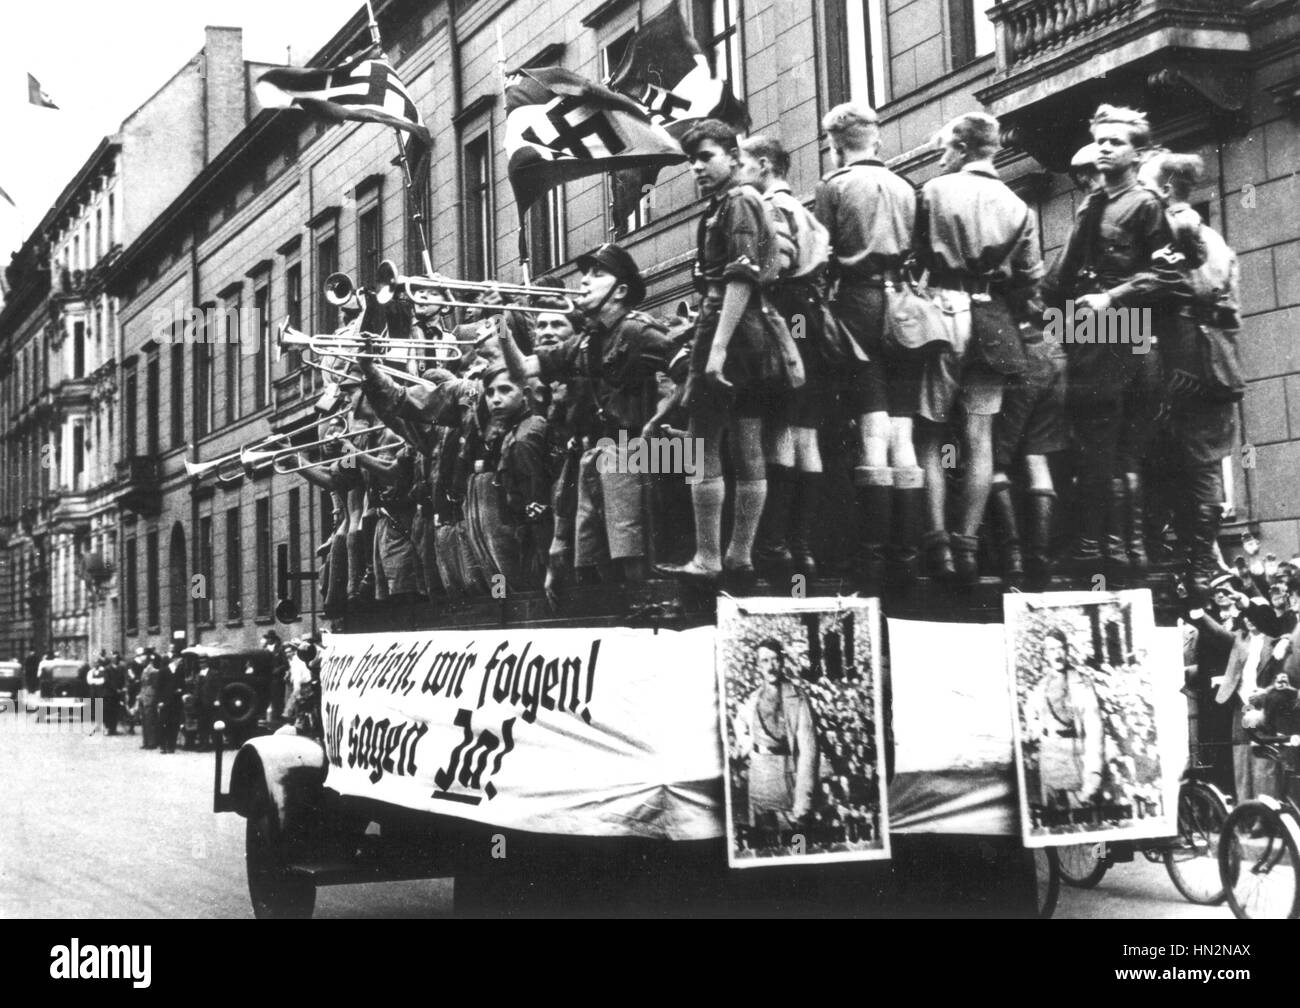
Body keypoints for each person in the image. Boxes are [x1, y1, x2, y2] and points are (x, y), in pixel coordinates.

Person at [657, 119, 796, 590]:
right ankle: (738, 558)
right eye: (692, 160)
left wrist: (714, 351)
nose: (697, 167)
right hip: (750, 332)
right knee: (746, 447)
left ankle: (709, 557)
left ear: (735, 158)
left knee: (702, 446)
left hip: (728, 328)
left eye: (707, 156)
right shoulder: (738, 201)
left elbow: (740, 275)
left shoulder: (736, 202)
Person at [912, 112, 1044, 586]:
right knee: (979, 439)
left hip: (943, 312)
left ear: (964, 148)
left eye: (947, 148)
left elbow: (914, 256)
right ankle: (967, 546)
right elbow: (1031, 278)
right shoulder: (1017, 205)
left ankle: (938, 543)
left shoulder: (934, 191)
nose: (943, 156)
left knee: (927, 433)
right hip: (992, 320)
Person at [1041, 104, 1171, 580]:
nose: (1104, 147)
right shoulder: (1094, 203)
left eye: (1115, 142)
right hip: (1093, 327)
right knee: (1097, 440)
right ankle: (1113, 548)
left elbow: (1166, 273)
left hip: (1124, 325)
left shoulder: (1146, 204)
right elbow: (1064, 273)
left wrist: (1111, 298)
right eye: (1100, 140)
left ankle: (1107, 548)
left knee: (1107, 440)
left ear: (1138, 154)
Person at [499, 243, 676, 589]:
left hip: (639, 452)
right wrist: (504, 326)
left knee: (634, 558)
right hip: (599, 455)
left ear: (620, 290)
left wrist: (661, 425)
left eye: (597, 274)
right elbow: (522, 371)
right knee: (596, 562)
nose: (583, 282)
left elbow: (687, 371)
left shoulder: (638, 330)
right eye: (585, 274)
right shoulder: (584, 342)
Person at [814, 103, 924, 590]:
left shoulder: (833, 186)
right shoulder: (906, 186)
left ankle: (873, 559)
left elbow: (821, 257)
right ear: (876, 140)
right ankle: (908, 557)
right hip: (902, 307)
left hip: (856, 304)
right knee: (904, 433)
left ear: (835, 145)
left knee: (871, 431)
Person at [1138, 149, 1243, 596]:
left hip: (1198, 366)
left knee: (1200, 462)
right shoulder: (1174, 234)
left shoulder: (1193, 234)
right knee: (1174, 462)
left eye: (1143, 186)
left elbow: (1208, 292)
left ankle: (1201, 561)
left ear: (1164, 190)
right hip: (1180, 366)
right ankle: (1186, 561)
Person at [738, 135, 831, 579]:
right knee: (805, 433)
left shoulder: (768, 208)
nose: (739, 172)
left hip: (781, 312)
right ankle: (805, 545)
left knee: (779, 428)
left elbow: (775, 263)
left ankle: (775, 543)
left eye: (742, 163)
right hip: (811, 316)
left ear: (763, 165)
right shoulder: (806, 210)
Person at [733, 638, 819, 833]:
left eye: (775, 660)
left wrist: (803, 801)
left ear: (782, 662)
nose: (770, 667)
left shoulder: (797, 699)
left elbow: (809, 751)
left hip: (787, 781)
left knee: (799, 847)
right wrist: (746, 745)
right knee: (766, 847)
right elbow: (741, 725)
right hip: (759, 783)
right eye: (764, 661)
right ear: (757, 665)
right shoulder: (753, 699)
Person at [1025, 629, 1106, 812]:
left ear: (1067, 650)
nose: (1057, 654)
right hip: (1049, 760)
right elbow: (1030, 710)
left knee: (1079, 816)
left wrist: (1094, 770)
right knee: (1052, 820)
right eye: (1052, 650)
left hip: (1075, 758)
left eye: (1060, 648)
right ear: (1046, 654)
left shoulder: (1082, 684)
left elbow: (1095, 729)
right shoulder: (1042, 686)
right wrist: (1036, 726)